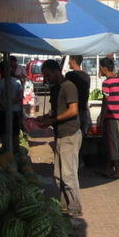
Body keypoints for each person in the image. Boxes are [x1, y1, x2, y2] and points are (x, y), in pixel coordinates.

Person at [37, 59, 83, 220]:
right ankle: (65, 206)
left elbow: (73, 111)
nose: (46, 79)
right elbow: (55, 111)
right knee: (58, 175)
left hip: (69, 135)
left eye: (48, 75)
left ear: (57, 71)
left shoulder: (68, 87)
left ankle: (75, 208)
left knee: (69, 175)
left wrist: (53, 120)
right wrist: (45, 118)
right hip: (60, 135)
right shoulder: (56, 89)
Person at [98, 57, 119, 179]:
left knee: (112, 144)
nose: (100, 70)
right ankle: (107, 168)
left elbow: (106, 103)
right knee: (115, 143)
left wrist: (102, 119)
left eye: (100, 68)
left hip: (110, 117)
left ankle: (117, 170)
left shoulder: (106, 83)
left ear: (104, 68)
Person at [0, 60, 24, 153]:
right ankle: (16, 152)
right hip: (15, 111)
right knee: (15, 132)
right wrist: (11, 105)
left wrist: (6, 106)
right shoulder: (17, 81)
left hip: (2, 111)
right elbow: (20, 97)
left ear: (1, 71)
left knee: (4, 132)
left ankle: (5, 151)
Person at [65, 55, 91, 141]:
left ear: (72, 61)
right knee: (82, 139)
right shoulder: (87, 76)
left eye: (69, 60)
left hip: (72, 111)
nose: (69, 62)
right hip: (83, 110)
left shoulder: (69, 75)